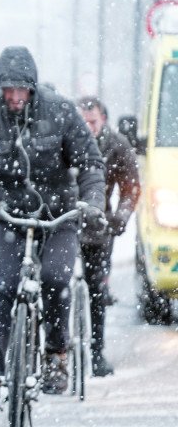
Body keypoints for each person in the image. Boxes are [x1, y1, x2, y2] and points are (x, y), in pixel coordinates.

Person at [0, 46, 106, 413]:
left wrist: (93, 200)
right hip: (6, 216)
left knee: (55, 277)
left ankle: (56, 354)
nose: (16, 97)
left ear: (33, 89)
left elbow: (90, 163)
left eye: (22, 89)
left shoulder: (62, 111)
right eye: (9, 90)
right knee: (2, 288)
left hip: (58, 216)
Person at [77, 96, 140, 377]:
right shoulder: (68, 139)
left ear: (103, 119)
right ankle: (56, 350)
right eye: (84, 122)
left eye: (93, 121)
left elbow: (131, 187)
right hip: (65, 221)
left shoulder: (116, 145)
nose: (88, 127)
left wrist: (121, 217)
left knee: (97, 291)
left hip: (100, 226)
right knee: (54, 286)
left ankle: (96, 350)